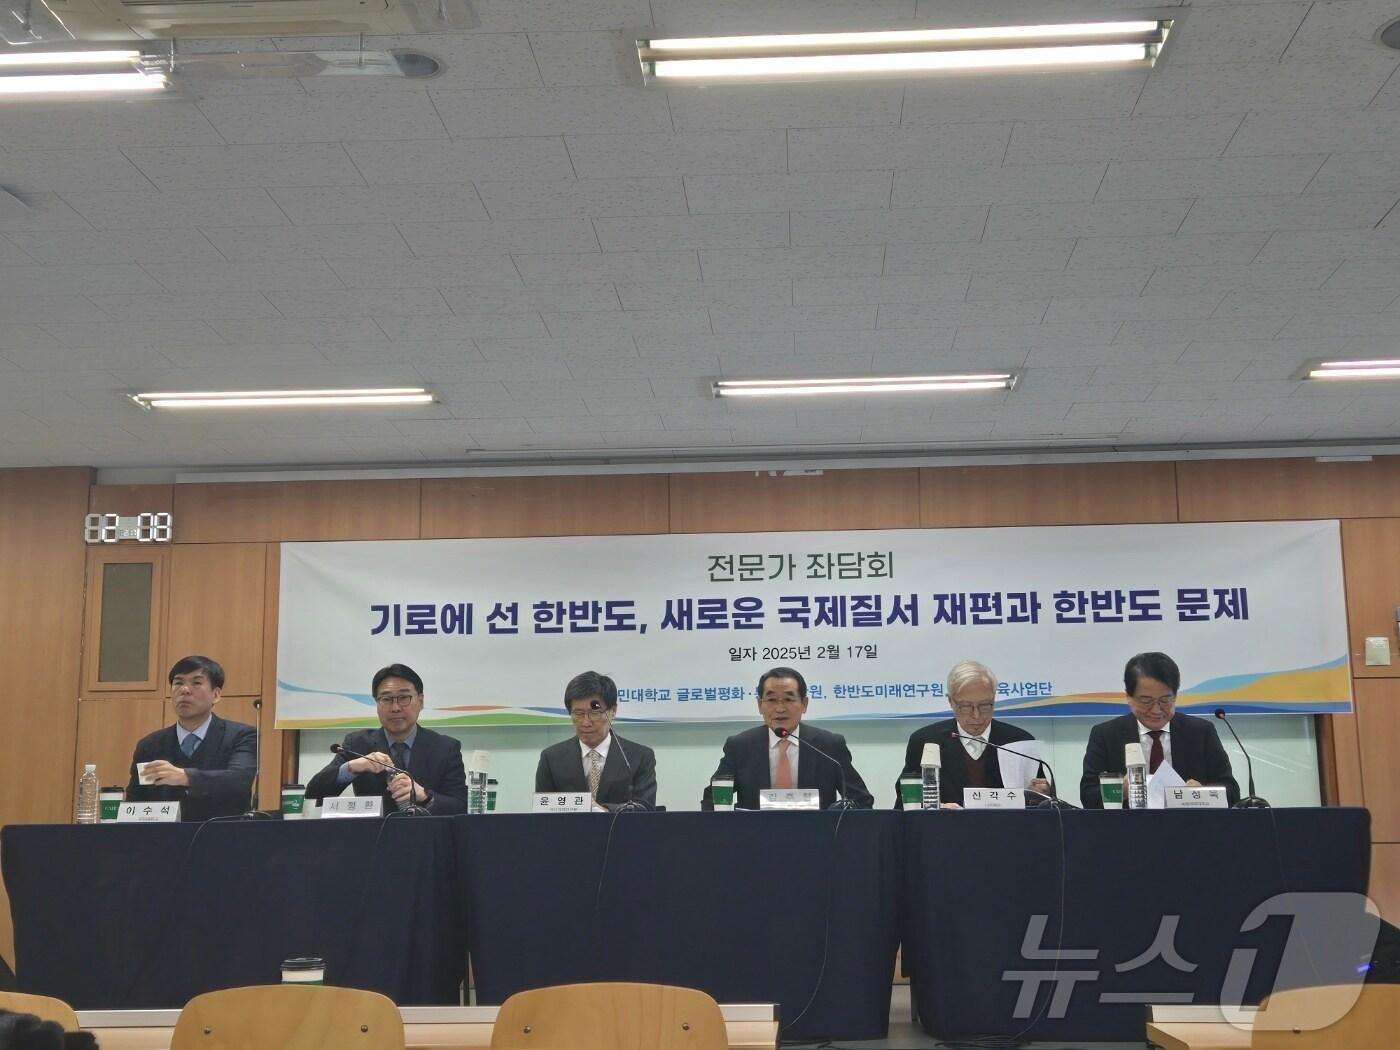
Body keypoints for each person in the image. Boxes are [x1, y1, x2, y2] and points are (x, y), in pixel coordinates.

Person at [1079, 651, 1240, 808]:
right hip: (1127, 824)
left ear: (1175, 696)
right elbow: (1088, 796)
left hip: (1188, 823)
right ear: (1129, 696)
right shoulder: (1106, 735)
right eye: (1146, 700)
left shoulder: (1201, 732)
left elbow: (1232, 792)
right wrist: (1120, 791)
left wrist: (1202, 793)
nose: (1156, 710)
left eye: (1165, 700)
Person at [306, 663, 469, 814]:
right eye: (386, 699)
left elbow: (461, 806)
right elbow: (313, 793)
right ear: (377, 703)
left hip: (428, 834)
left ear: (420, 701)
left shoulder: (445, 748)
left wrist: (424, 796)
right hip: (373, 834)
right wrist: (352, 767)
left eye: (404, 698)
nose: (395, 708)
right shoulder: (357, 744)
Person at [705, 666, 873, 810]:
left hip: (817, 834)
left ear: (804, 704)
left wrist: (836, 816)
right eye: (771, 700)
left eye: (788, 699)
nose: (780, 708)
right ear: (760, 705)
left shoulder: (829, 746)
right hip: (754, 835)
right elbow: (712, 800)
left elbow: (861, 801)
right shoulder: (740, 746)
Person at [896, 660, 1053, 808]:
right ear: (950, 702)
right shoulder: (926, 741)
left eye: (984, 705)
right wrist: (936, 808)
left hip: (1006, 827)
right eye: (965, 707)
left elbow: (1043, 807)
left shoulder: (1019, 742)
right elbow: (905, 805)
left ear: (994, 699)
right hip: (945, 826)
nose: (976, 716)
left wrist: (1042, 795)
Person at [126, 655, 256, 821]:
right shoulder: (150, 745)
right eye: (178, 683)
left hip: (225, 833)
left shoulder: (241, 735)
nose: (185, 690)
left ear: (216, 694)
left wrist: (185, 777)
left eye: (196, 683)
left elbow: (239, 781)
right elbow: (135, 803)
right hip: (164, 835)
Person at [535, 671, 658, 810]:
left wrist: (602, 811)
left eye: (594, 713)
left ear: (613, 711)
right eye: (578, 714)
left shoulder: (639, 757)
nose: (586, 722)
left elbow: (645, 808)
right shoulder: (551, 759)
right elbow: (543, 810)